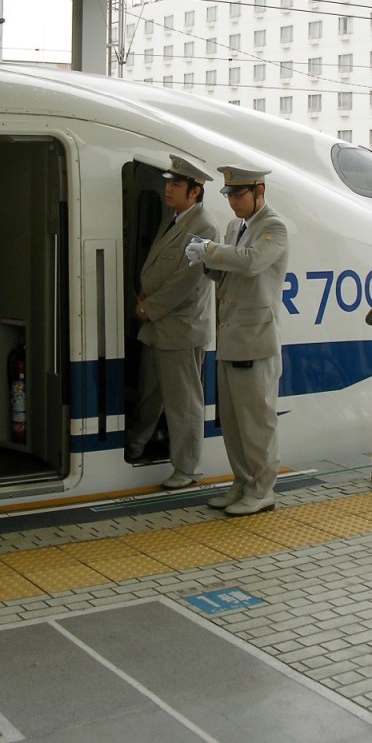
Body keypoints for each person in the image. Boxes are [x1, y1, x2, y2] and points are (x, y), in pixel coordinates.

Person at [185, 166, 289, 516]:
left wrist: (210, 250)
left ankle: (263, 490)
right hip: (232, 337)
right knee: (232, 421)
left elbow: (250, 262)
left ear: (259, 191)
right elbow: (228, 273)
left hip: (256, 341)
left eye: (238, 195)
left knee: (257, 423)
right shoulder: (235, 227)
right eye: (228, 196)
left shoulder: (274, 227)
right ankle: (243, 482)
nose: (232, 203)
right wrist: (205, 262)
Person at [126, 154, 219, 489]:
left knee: (184, 404)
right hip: (158, 326)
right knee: (150, 394)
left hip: (180, 328)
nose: (168, 189)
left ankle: (187, 468)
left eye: (176, 185)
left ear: (195, 192)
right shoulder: (176, 219)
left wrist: (148, 308)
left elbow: (189, 281)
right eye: (168, 183)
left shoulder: (204, 226)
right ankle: (135, 446)